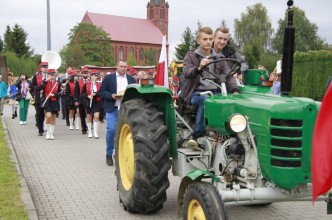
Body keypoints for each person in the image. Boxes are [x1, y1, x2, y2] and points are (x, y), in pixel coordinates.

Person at [181, 26, 239, 145]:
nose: (208, 42)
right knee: (207, 100)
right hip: (196, 93)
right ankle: (197, 135)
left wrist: (235, 90)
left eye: (210, 39)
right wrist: (198, 68)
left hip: (215, 92)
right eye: (205, 39)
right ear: (198, 40)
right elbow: (187, 73)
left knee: (231, 101)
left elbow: (228, 76)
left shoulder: (219, 58)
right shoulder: (191, 57)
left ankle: (232, 135)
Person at [100, 59, 136, 166]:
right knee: (111, 130)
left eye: (125, 67)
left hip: (126, 110)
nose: (124, 68)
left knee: (123, 132)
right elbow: (101, 91)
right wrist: (111, 96)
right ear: (116, 66)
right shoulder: (108, 78)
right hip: (113, 108)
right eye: (121, 66)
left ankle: (119, 153)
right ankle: (109, 153)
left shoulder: (131, 79)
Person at [81, 69, 103, 138]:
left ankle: (95, 132)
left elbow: (101, 93)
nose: (95, 77)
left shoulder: (99, 84)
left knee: (96, 116)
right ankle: (90, 131)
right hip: (89, 101)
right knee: (89, 116)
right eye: (94, 75)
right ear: (91, 76)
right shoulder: (87, 84)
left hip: (97, 101)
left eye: (96, 76)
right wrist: (88, 96)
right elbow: (83, 93)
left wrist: (95, 94)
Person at [41, 69, 61, 140]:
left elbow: (59, 93)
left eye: (53, 75)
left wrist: (53, 94)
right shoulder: (45, 82)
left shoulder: (57, 83)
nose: (52, 76)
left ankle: (51, 133)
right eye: (51, 74)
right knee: (48, 116)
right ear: (48, 75)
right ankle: (47, 132)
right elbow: (40, 88)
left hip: (54, 101)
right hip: (47, 101)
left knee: (53, 117)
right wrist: (46, 80)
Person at [31, 62, 48, 136]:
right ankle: (40, 130)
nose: (45, 68)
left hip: (47, 97)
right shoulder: (37, 76)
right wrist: (36, 88)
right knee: (39, 114)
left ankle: (46, 126)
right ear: (41, 68)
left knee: (47, 113)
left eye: (46, 67)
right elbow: (32, 85)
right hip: (39, 97)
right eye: (43, 67)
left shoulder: (50, 75)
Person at [75, 67, 89, 134]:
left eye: (86, 73)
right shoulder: (78, 82)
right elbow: (76, 92)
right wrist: (76, 100)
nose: (85, 74)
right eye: (84, 73)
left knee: (89, 114)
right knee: (82, 115)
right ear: (82, 74)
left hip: (89, 100)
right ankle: (84, 128)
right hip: (81, 100)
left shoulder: (90, 81)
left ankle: (90, 125)